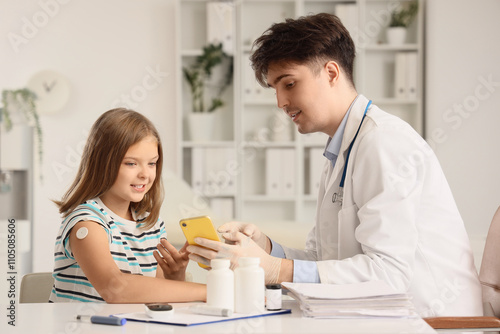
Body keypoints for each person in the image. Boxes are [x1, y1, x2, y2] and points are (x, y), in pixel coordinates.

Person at [187, 13, 483, 317]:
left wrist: (275, 269)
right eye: (275, 88)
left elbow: (389, 274)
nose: (280, 102)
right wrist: (266, 249)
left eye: (288, 83)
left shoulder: (383, 142)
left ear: (331, 73)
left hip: (435, 321)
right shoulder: (341, 150)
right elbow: (324, 259)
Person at [50, 108, 206, 303]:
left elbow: (156, 299)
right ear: (102, 163)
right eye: (131, 163)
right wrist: (209, 291)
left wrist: (175, 277)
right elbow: (115, 288)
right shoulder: (86, 223)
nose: (145, 174)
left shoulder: (152, 224)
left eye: (152, 163)